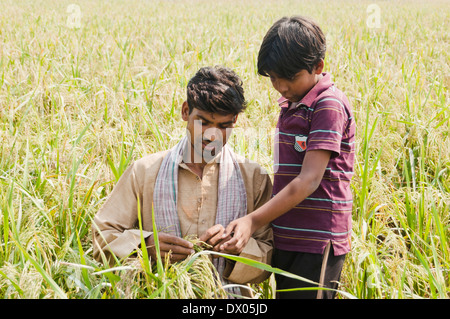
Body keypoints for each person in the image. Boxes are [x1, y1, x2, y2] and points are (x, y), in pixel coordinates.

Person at [92, 66, 273, 297]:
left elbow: (269, 249)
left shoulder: (253, 177)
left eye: (224, 126)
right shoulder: (145, 171)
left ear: (235, 120)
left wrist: (237, 251)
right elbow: (102, 234)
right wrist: (145, 247)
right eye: (204, 122)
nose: (212, 135)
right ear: (186, 111)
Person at [220, 16, 356, 299]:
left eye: (289, 77)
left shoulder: (327, 105)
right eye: (273, 78)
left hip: (316, 240)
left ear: (318, 66)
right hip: (289, 234)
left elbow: (308, 181)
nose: (280, 86)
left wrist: (252, 221)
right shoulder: (293, 102)